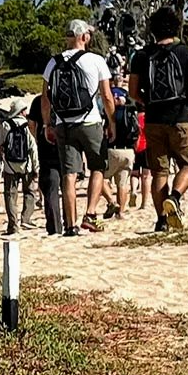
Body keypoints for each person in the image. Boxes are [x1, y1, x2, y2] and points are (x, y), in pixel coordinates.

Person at [129, 7, 188, 233]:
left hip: (153, 120)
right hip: (180, 117)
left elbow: (133, 91)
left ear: (152, 30)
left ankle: (162, 220)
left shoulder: (141, 56)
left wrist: (147, 102)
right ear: (176, 27)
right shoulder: (186, 53)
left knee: (159, 172)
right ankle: (174, 197)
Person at [40, 19, 118, 236]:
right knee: (98, 167)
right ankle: (90, 214)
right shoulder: (96, 60)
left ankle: (70, 225)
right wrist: (112, 122)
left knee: (69, 175)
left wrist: (48, 124)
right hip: (90, 121)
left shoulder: (52, 63)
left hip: (63, 124)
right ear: (84, 37)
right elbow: (107, 96)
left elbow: (45, 98)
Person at [0, 101, 39, 235]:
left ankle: (13, 225)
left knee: (10, 195)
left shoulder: (5, 125)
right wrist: (36, 167)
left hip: (9, 166)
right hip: (26, 166)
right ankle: (26, 218)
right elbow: (32, 148)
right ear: (22, 112)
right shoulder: (27, 126)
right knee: (29, 192)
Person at [24, 92, 67, 236]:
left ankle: (54, 226)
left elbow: (31, 124)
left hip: (46, 146)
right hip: (66, 144)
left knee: (50, 188)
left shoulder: (39, 100)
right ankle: (70, 223)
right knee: (68, 185)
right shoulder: (66, 97)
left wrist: (36, 140)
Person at [103, 73, 140, 220]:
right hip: (129, 151)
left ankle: (112, 202)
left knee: (102, 179)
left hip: (112, 148)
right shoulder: (130, 108)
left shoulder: (110, 110)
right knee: (123, 184)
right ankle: (121, 213)